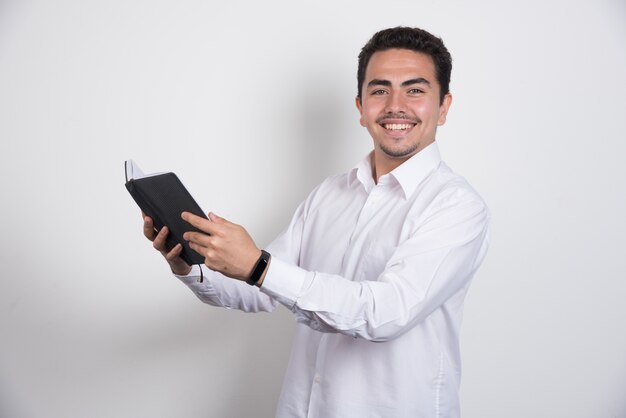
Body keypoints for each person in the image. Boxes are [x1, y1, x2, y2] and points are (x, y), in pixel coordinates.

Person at [143, 26, 490, 418]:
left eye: (415, 90)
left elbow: (385, 313)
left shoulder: (456, 206)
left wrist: (258, 265)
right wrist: (188, 261)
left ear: (444, 107)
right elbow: (260, 290)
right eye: (379, 90)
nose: (396, 105)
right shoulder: (330, 194)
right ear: (360, 107)